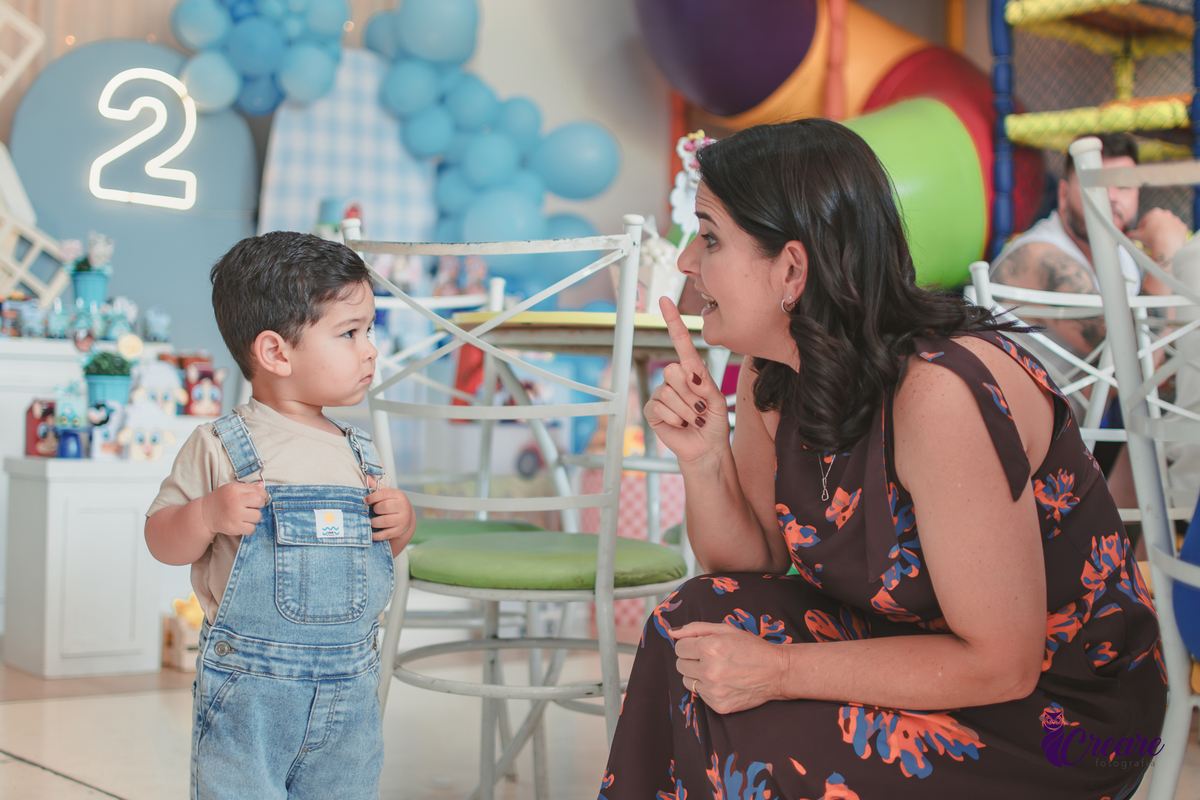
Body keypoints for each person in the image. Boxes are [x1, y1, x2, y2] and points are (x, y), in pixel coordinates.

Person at [598, 119, 1166, 799]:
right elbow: (749, 563)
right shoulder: (770, 368)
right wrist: (704, 458)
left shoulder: (939, 394)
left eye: (710, 237)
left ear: (791, 270)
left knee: (768, 732)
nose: (689, 261)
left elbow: (1003, 666)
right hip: (905, 641)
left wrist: (779, 672)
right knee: (691, 621)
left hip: (1057, 711)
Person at [144, 232, 415, 799]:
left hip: (351, 690)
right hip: (250, 694)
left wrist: (399, 525)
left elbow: (368, 560)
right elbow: (161, 539)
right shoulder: (222, 445)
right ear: (276, 353)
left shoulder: (359, 453)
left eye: (369, 331)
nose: (370, 350)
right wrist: (206, 514)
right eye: (350, 333)